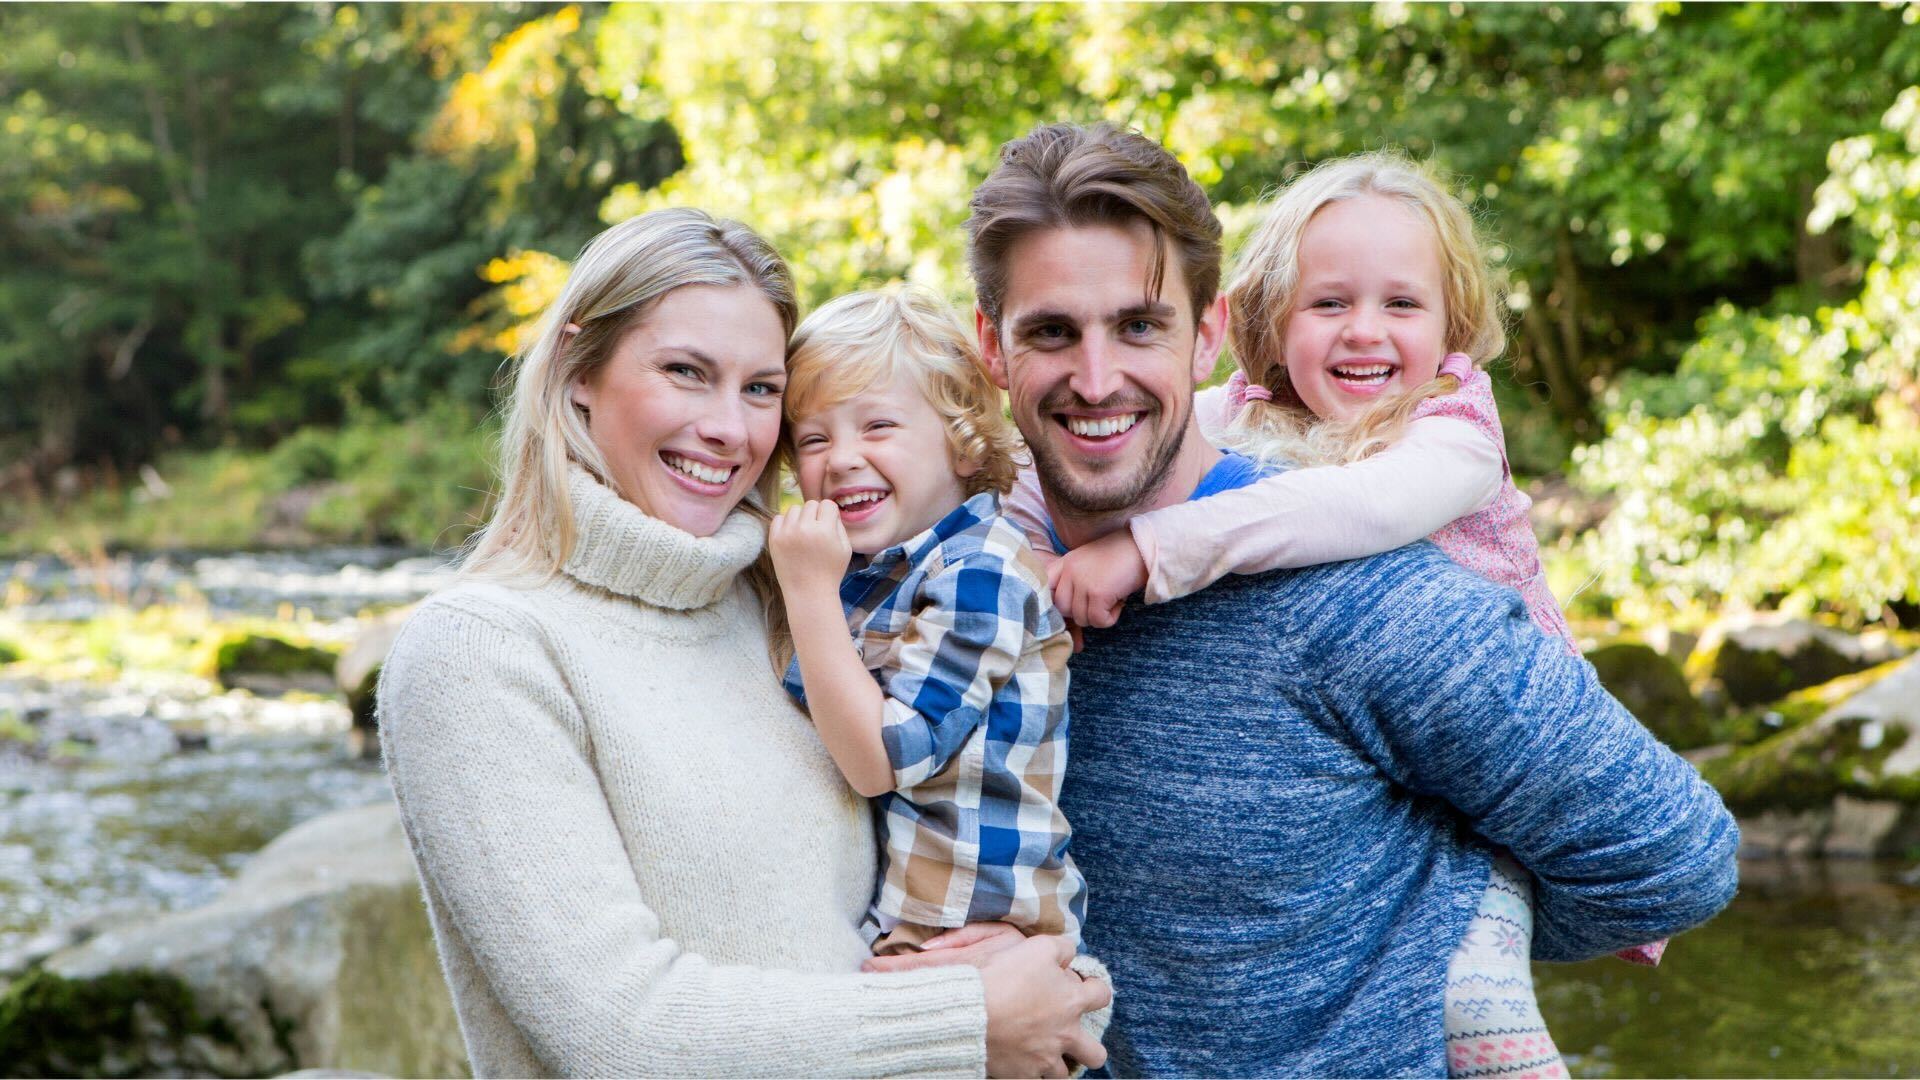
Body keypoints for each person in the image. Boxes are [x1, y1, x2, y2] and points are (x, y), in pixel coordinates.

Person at [874, 122, 1739, 1078]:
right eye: (1050, 332)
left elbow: (1675, 856)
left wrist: (1430, 950)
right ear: (991, 348)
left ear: (1205, 335)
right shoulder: (944, 587)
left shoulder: (1368, 595)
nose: (1096, 377)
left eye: (1139, 325)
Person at [376, 207, 1109, 1078]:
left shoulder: (788, 600)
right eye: (687, 372)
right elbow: (616, 1032)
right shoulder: (480, 652)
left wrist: (1049, 991)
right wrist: (967, 1020)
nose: (730, 428)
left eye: (761, 389)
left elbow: (972, 877)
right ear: (578, 369)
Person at [767, 286, 1091, 961]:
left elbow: (882, 759)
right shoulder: (870, 571)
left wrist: (806, 593)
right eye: (814, 439)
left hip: (966, 927)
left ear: (965, 445)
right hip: (901, 921)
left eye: (877, 426)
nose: (842, 458)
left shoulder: (981, 573)